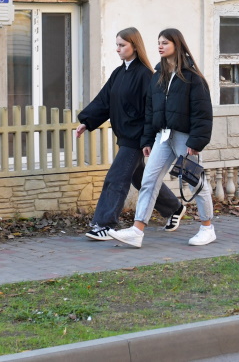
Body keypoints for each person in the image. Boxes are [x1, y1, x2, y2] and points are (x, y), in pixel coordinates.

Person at [76, 28, 185, 241]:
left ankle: (104, 225)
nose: (118, 49)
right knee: (141, 178)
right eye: (116, 45)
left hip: (136, 138)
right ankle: (174, 208)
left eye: (122, 45)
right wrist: (86, 122)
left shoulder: (145, 75)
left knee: (116, 178)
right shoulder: (119, 73)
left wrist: (147, 139)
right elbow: (104, 101)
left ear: (134, 46)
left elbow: (151, 110)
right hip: (125, 136)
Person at [110, 28, 216, 248]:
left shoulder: (192, 78)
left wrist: (196, 143)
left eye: (165, 42)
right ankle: (137, 231)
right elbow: (151, 110)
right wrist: (147, 140)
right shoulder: (158, 75)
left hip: (185, 139)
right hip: (162, 137)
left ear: (177, 45)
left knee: (195, 181)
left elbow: (203, 112)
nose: (160, 46)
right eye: (158, 42)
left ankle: (207, 228)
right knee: (149, 180)